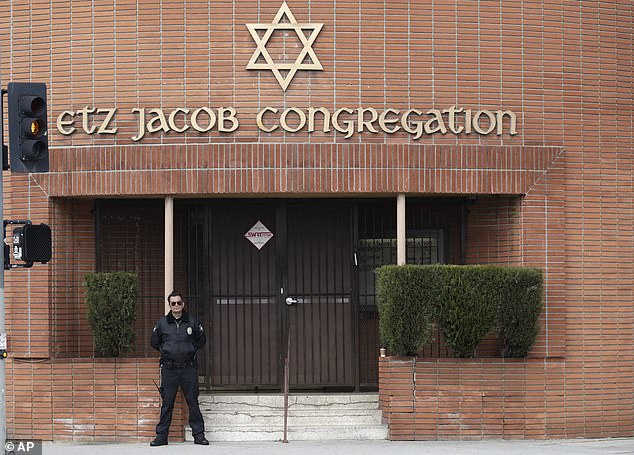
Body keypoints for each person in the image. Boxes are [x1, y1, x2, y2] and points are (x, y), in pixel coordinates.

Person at [150, 291, 209, 446]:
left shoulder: (192, 322)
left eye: (179, 303)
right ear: (169, 305)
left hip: (188, 369)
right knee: (167, 403)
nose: (176, 306)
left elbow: (201, 341)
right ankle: (161, 437)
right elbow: (154, 342)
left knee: (192, 402)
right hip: (169, 369)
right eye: (173, 303)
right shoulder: (162, 323)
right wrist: (166, 352)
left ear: (183, 304)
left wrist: (190, 350)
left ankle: (199, 435)